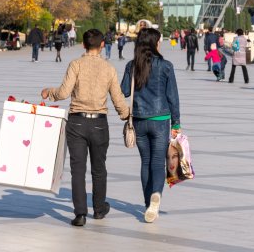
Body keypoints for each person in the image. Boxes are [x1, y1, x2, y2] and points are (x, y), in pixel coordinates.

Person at [42, 29, 129, 227]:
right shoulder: (109, 69)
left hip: (77, 122)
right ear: (102, 46)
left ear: (83, 45)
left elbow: (64, 92)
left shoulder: (76, 65)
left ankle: (80, 213)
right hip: (99, 123)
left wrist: (50, 92)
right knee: (99, 169)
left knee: (78, 170)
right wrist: (126, 115)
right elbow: (117, 97)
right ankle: (99, 209)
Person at [120, 28, 180, 223]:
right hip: (160, 120)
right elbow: (172, 97)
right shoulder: (166, 66)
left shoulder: (132, 65)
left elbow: (123, 91)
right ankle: (156, 195)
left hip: (138, 120)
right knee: (157, 162)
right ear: (155, 43)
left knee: (145, 162)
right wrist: (176, 122)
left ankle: (148, 203)